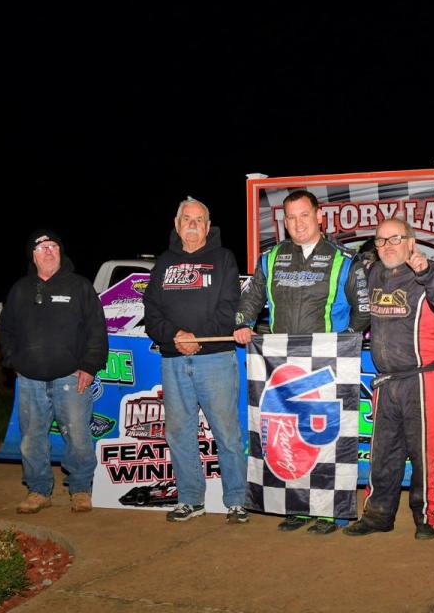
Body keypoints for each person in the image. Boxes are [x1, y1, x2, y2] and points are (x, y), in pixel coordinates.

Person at [234, 188, 369, 534]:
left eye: (304, 215)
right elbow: (251, 299)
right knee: (288, 440)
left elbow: (364, 309)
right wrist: (242, 324)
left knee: (324, 441)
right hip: (281, 367)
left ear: (319, 216)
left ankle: (327, 512)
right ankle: (296, 507)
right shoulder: (271, 258)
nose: (297, 224)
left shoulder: (345, 258)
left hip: (327, 367)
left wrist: (347, 339)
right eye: (290, 217)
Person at [344, 217, 434, 540]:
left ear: (411, 241)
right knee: (383, 452)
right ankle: (378, 514)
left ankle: (427, 518)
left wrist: (425, 271)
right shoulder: (372, 273)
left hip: (424, 379)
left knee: (426, 453)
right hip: (386, 379)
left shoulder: (428, 271)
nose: (388, 246)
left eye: (395, 239)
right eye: (381, 241)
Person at [143, 197, 248, 524]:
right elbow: (151, 313)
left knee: (227, 433)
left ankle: (236, 501)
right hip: (173, 360)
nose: (192, 224)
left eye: (198, 219)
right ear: (176, 224)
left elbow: (230, 307)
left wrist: (195, 339)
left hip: (215, 360)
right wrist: (175, 335)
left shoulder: (223, 258)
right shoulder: (163, 263)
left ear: (208, 225)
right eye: (186, 218)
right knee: (180, 433)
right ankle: (190, 499)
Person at [0, 230, 107, 515]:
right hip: (30, 379)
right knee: (31, 438)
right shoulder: (20, 289)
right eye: (42, 247)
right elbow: (5, 330)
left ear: (61, 252)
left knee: (78, 437)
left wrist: (88, 366)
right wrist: (14, 361)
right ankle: (38, 490)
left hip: (71, 377)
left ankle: (81, 489)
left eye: (54, 246)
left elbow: (97, 331)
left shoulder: (80, 287)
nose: (49, 251)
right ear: (32, 255)